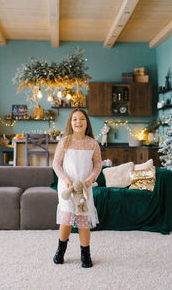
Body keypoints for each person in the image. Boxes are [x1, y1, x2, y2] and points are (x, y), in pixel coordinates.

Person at [52, 108, 102, 268]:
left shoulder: (92, 143)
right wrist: (66, 179)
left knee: (82, 219)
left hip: (84, 187)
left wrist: (90, 178)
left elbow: (98, 164)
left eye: (81, 119)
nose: (78, 122)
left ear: (87, 123)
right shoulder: (65, 141)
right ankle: (61, 250)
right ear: (70, 123)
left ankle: (85, 254)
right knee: (67, 218)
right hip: (67, 186)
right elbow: (56, 164)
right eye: (75, 119)